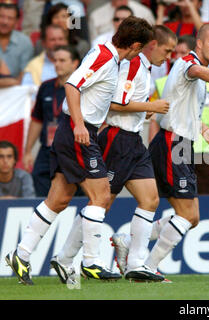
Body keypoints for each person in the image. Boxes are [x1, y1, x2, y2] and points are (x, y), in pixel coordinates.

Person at [4, 16, 153, 286]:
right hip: (77, 132)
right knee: (102, 194)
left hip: (74, 130)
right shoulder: (106, 58)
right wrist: (80, 125)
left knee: (58, 199)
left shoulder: (108, 57)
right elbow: (72, 86)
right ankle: (91, 262)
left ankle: (21, 254)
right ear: (135, 46)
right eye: (141, 49)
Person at [110, 24, 209, 278]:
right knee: (186, 214)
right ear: (200, 43)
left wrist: (203, 129)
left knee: (191, 217)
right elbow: (197, 71)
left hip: (181, 143)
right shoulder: (187, 64)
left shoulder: (192, 72)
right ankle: (146, 267)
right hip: (173, 143)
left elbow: (180, 107)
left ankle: (128, 241)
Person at [52, 25, 177, 284]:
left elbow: (125, 103)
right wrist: (149, 106)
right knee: (102, 201)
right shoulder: (130, 64)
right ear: (151, 45)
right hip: (117, 139)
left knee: (150, 199)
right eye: (167, 50)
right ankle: (65, 258)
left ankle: (135, 264)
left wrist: (145, 112)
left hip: (134, 140)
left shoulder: (144, 67)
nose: (169, 57)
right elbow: (114, 103)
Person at [153, 34, 209, 195]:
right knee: (174, 206)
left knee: (202, 210)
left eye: (182, 53)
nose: (177, 58)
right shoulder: (164, 82)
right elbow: (156, 121)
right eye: (175, 53)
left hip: (206, 154)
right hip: (175, 146)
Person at [23, 45, 81, 197]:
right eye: (55, 60)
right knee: (38, 177)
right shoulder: (46, 86)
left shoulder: (83, 88)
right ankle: (46, 219)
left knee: (77, 188)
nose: (57, 64)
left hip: (73, 148)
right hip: (47, 148)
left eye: (62, 60)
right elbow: (37, 120)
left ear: (75, 63)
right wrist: (28, 150)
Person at [0, 3, 34, 87]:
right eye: (1, 16)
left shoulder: (25, 42)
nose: (5, 22)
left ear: (17, 22)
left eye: (10, 18)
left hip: (16, 93)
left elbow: (23, 78)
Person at [89, 0, 155, 42]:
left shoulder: (144, 12)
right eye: (117, 19)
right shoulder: (95, 15)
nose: (120, 22)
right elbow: (94, 42)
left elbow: (152, 39)